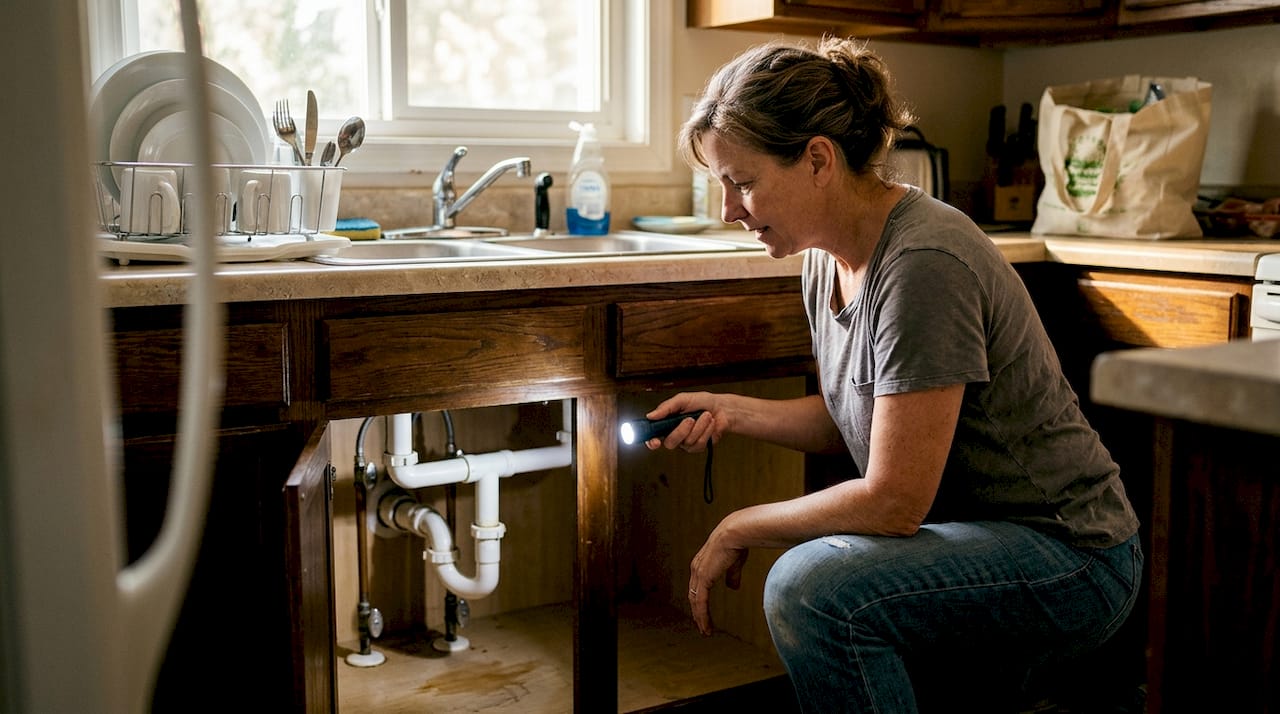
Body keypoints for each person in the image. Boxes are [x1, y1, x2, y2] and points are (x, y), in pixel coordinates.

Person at [644, 37, 1143, 713]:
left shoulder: (924, 261)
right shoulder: (826, 254)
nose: (730, 209)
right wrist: (734, 411)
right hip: (976, 540)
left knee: (807, 588)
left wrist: (738, 525)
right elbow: (860, 417)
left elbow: (894, 500)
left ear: (818, 159)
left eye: (744, 182)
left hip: (1072, 556)